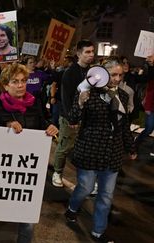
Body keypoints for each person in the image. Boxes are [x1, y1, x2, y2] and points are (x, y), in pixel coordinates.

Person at [64, 58, 136, 242]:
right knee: (85, 187)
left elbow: (124, 125)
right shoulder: (88, 91)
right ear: (103, 74)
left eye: (120, 75)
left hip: (112, 154)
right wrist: (80, 102)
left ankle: (98, 231)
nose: (117, 78)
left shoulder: (123, 95)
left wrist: (131, 147)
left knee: (106, 196)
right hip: (90, 150)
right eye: (113, 74)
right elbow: (72, 119)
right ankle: (72, 208)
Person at [0, 63, 58, 243]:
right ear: (5, 84)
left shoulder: (35, 104)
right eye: (15, 81)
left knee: (26, 216)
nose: (20, 85)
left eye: (23, 81)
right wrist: (6, 126)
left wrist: (50, 128)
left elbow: (43, 124)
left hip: (26, 171)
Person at [51, 40, 95, 188]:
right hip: (69, 117)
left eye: (92, 52)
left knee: (85, 149)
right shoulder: (70, 73)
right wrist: (71, 117)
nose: (91, 55)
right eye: (87, 52)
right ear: (78, 54)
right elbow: (66, 97)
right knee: (64, 146)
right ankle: (57, 172)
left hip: (87, 118)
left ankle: (86, 180)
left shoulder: (92, 72)